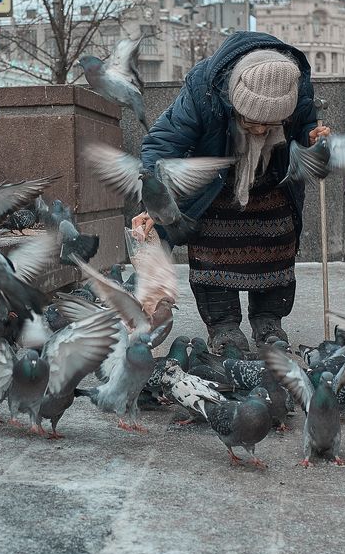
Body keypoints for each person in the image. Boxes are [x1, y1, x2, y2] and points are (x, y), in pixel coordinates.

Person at [134, 32, 329, 350]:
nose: (261, 130)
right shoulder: (204, 87)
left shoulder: (296, 86)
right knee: (213, 255)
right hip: (216, 186)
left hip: (274, 182)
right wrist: (155, 199)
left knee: (276, 250)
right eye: (252, 121)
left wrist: (312, 140)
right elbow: (164, 141)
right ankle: (223, 325)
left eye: (271, 123)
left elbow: (303, 131)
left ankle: (269, 321)